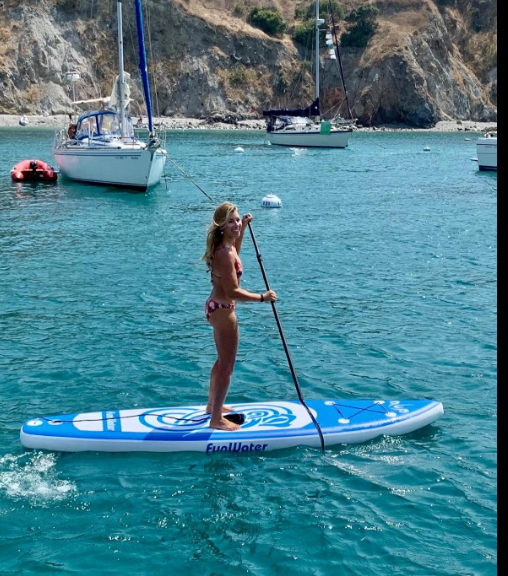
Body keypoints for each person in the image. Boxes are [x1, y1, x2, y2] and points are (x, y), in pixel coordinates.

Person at [203, 202, 277, 431]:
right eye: (231, 222)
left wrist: (242, 227)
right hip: (223, 311)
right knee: (227, 366)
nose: (235, 224)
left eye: (236, 219)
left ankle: (211, 406)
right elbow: (233, 291)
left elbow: (236, 251)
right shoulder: (224, 253)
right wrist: (262, 298)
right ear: (221, 226)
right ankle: (216, 419)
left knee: (221, 361)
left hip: (216, 307)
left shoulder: (227, 246)